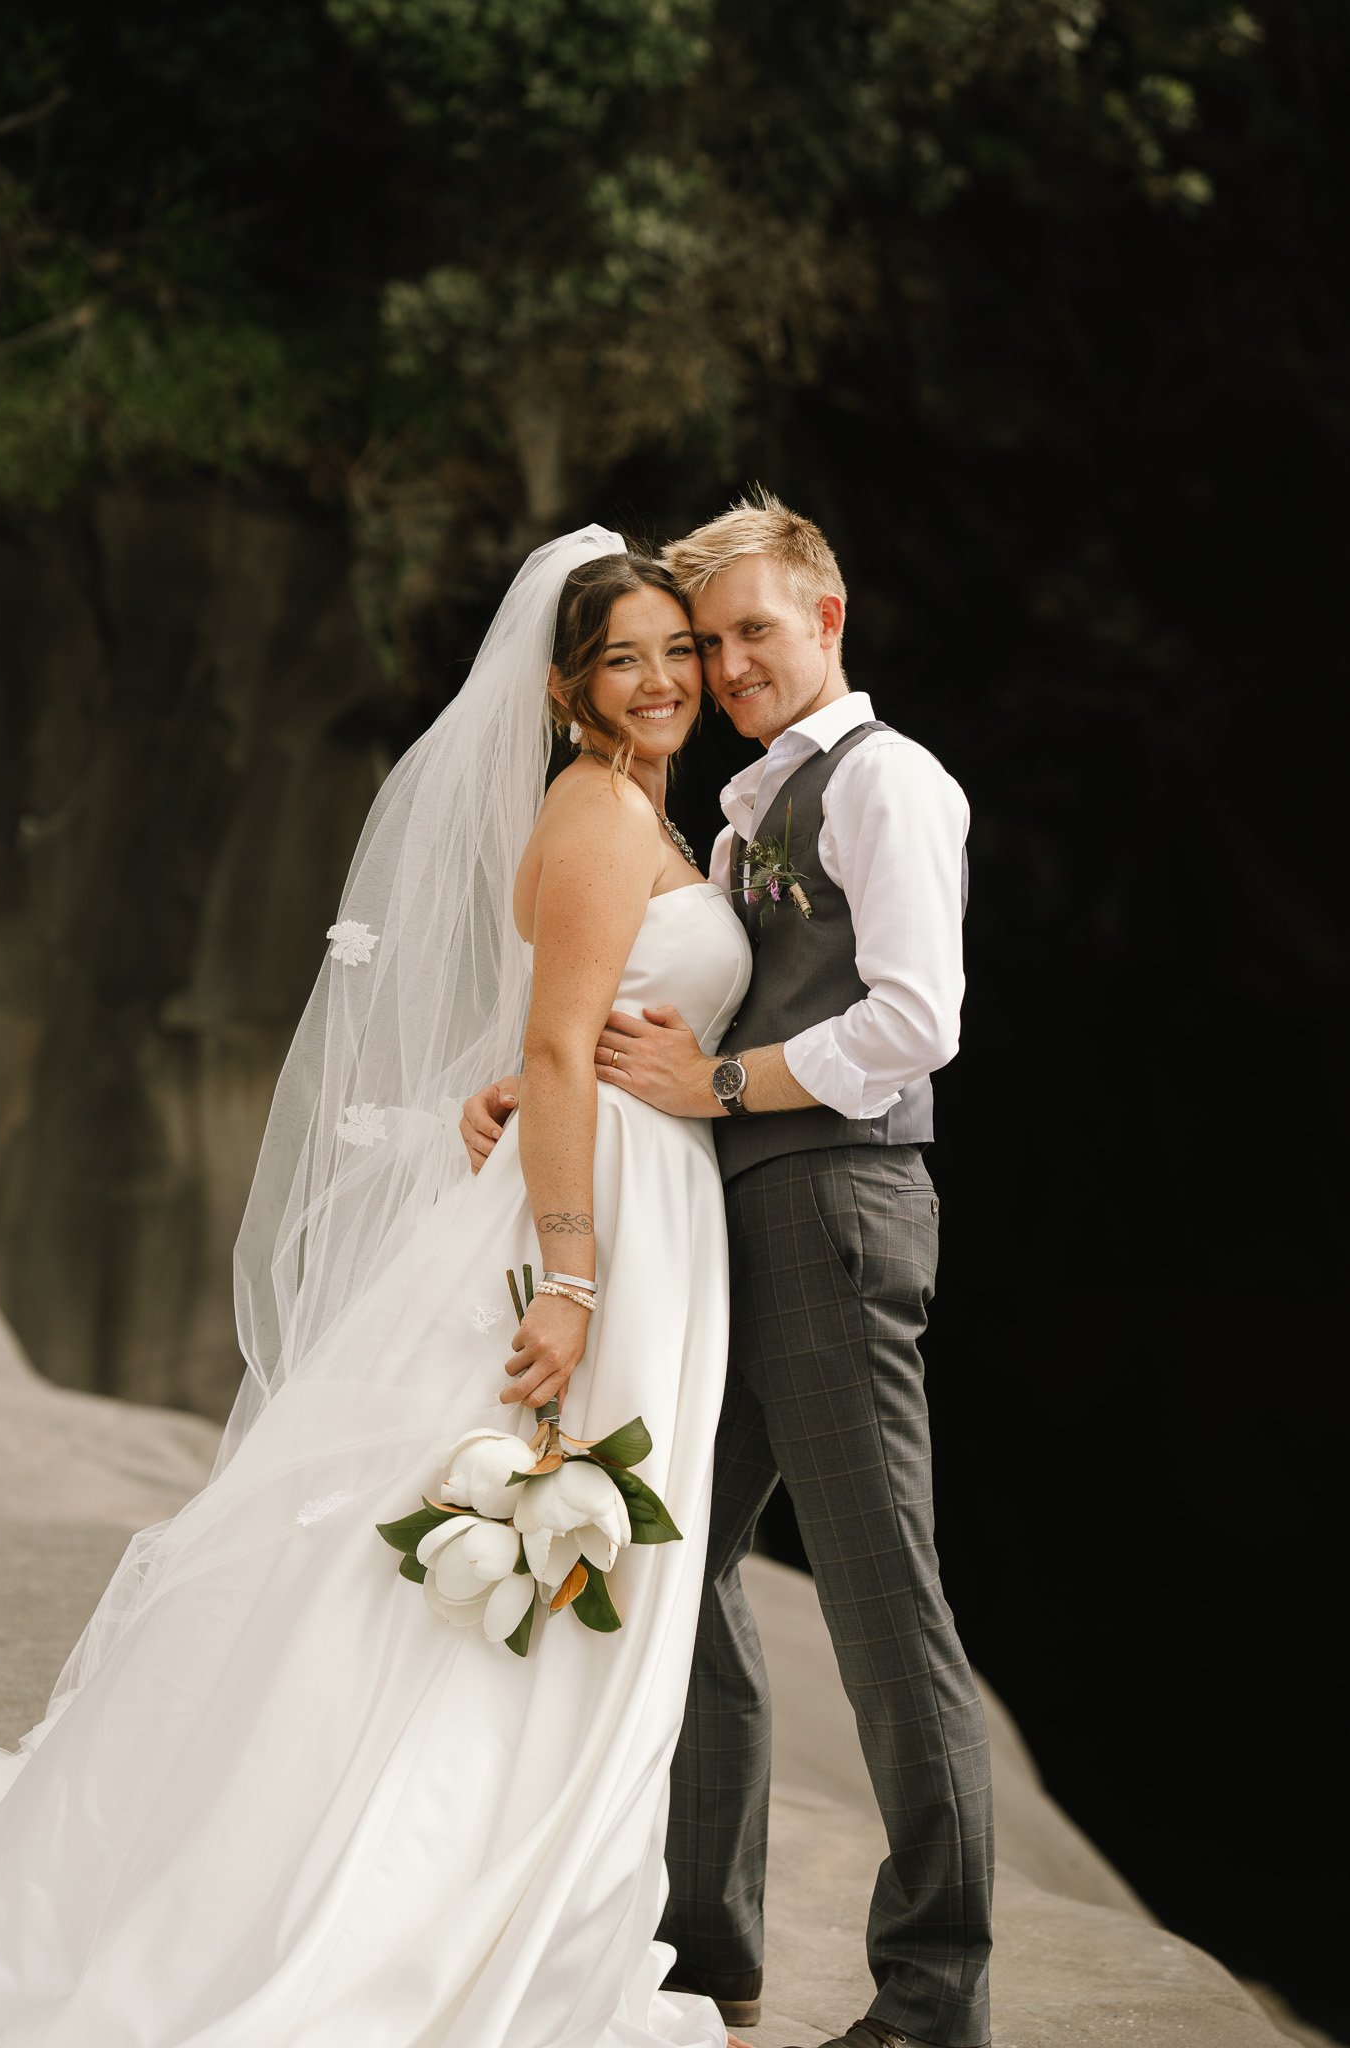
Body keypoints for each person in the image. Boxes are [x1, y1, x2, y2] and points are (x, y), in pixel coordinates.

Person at [0, 529, 755, 2048]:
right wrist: (570, 1278)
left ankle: (514, 1882)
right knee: (517, 1554)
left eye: (680, 649)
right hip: (597, 1228)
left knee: (552, 1562)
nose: (665, 679)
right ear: (564, 684)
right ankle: (405, 1896)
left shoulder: (645, 813)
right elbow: (554, 1055)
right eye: (626, 657)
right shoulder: (600, 815)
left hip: (636, 1201)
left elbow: (562, 1033)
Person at [463, 494, 993, 2048]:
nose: (728, 663)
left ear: (828, 621)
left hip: (831, 1205)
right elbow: (639, 990)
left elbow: (916, 1019)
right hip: (737, 1222)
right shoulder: (751, 799)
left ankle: (933, 1995)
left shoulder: (887, 783)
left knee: (884, 1603)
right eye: (710, 641)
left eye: (755, 629)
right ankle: (706, 1944)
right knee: (677, 1576)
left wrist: (721, 1088)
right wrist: (537, 1077)